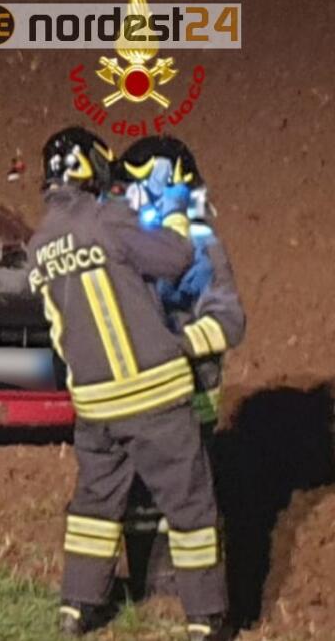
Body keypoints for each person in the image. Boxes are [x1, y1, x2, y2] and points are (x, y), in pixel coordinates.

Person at [28, 127, 229, 640]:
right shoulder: (105, 218)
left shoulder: (39, 245)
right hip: (154, 396)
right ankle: (205, 616)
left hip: (94, 406)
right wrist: (179, 212)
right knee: (190, 505)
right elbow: (176, 258)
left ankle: (76, 608)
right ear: (90, 167)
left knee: (95, 506)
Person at [116, 136, 247, 601]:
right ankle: (147, 587)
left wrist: (173, 346)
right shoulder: (131, 247)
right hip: (143, 397)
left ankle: (188, 596)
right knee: (136, 494)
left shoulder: (202, 247)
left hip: (189, 400)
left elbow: (227, 320)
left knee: (186, 501)